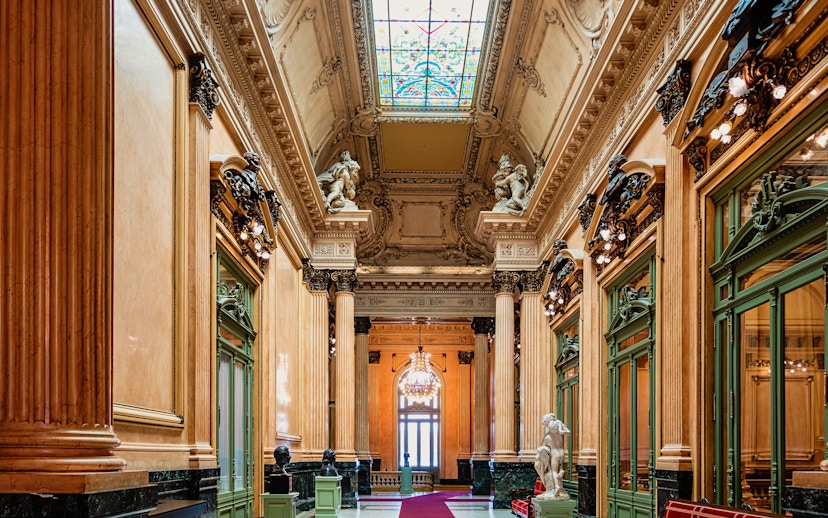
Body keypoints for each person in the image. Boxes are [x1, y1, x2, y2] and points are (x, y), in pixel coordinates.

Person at [534, 413, 571, 500]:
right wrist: (561, 431)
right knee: (558, 468)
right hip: (562, 453)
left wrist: (540, 451)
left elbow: (542, 445)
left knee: (554, 472)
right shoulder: (559, 426)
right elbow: (568, 432)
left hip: (554, 454)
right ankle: (558, 480)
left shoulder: (548, 436)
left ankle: (557, 487)